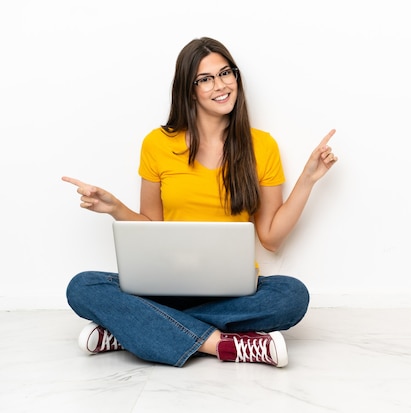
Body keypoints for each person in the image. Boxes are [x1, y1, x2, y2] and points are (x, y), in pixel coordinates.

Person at [61, 37, 338, 368]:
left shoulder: (261, 147)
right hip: (164, 286)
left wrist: (308, 179)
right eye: (205, 79)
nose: (220, 85)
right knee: (82, 286)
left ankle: (128, 331)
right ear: (189, 90)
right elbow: (152, 228)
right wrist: (115, 208)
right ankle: (225, 345)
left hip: (232, 291)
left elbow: (272, 239)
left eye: (226, 73)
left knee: (292, 296)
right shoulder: (158, 143)